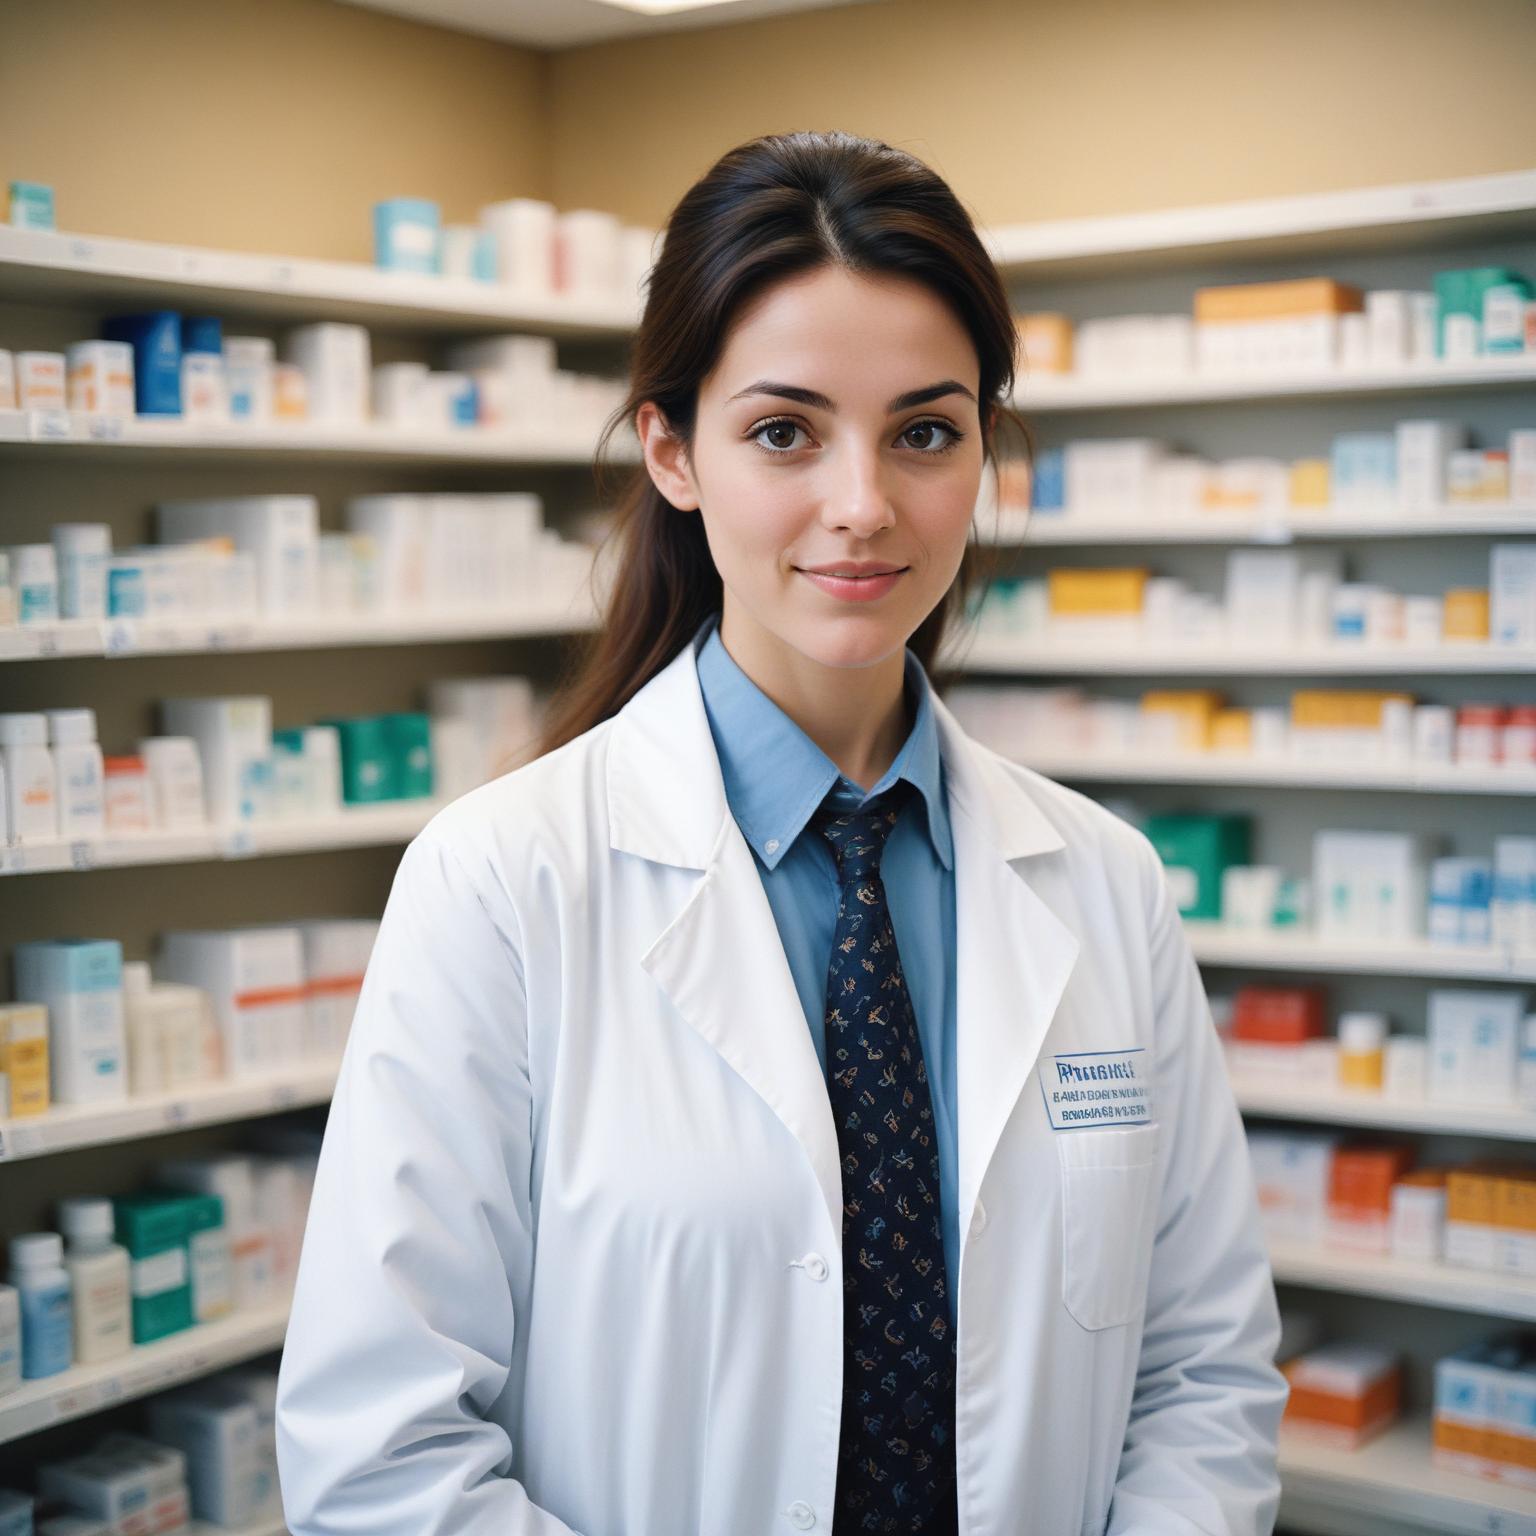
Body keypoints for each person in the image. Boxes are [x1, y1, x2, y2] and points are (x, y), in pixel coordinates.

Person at [274, 129, 1287, 1536]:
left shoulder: (1106, 884)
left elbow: (1204, 1376)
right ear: (672, 450)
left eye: (924, 432)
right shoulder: (500, 880)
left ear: (984, 450)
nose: (863, 507)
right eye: (783, 432)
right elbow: (382, 1451)